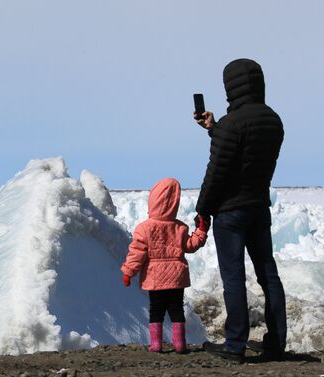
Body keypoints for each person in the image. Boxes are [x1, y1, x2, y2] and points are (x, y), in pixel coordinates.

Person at [194, 58, 286, 362]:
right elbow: (246, 152)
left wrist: (202, 208)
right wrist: (214, 129)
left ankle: (235, 344)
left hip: (230, 213)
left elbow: (218, 170)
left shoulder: (232, 124)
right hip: (259, 207)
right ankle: (276, 342)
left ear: (230, 87)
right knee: (268, 274)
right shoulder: (273, 120)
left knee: (233, 277)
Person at [121, 178, 209, 353]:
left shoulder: (144, 228)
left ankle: (156, 344)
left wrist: (128, 272)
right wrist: (201, 231)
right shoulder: (180, 228)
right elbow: (191, 246)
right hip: (177, 277)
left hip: (155, 278)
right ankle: (180, 344)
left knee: (156, 310)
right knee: (177, 309)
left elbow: (137, 253)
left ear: (152, 201)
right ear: (174, 203)